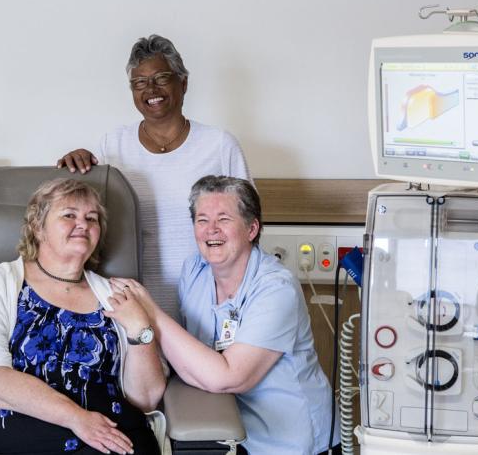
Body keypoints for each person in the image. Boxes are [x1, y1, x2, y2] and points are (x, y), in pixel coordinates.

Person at [0, 179, 165, 455]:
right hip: (5, 432)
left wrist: (140, 330)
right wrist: (75, 417)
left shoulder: (117, 294)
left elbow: (145, 399)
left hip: (106, 432)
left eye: (91, 218)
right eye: (69, 215)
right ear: (37, 226)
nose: (82, 224)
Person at [107, 176, 341, 455]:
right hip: (233, 431)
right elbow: (189, 356)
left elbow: (228, 377)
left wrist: (150, 313)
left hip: (291, 441)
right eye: (202, 220)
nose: (211, 230)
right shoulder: (194, 270)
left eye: (224, 219)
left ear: (252, 228)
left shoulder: (276, 289)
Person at [57, 34, 250, 320]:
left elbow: (247, 231)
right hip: (134, 303)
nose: (151, 89)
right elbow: (88, 220)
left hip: (211, 300)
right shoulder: (113, 146)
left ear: (183, 84)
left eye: (161, 78)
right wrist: (77, 164)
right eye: (140, 82)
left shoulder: (219, 145)